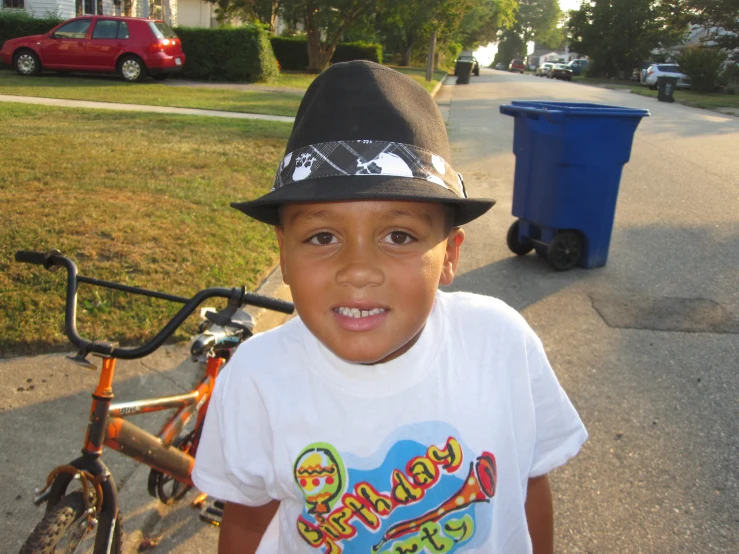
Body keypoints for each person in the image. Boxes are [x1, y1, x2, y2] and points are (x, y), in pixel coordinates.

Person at [192, 61, 587, 554]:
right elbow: (248, 522)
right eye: (322, 236)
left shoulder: (500, 344)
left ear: (450, 256)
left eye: (398, 236)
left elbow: (526, 484)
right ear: (283, 256)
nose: (358, 269)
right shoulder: (257, 377)